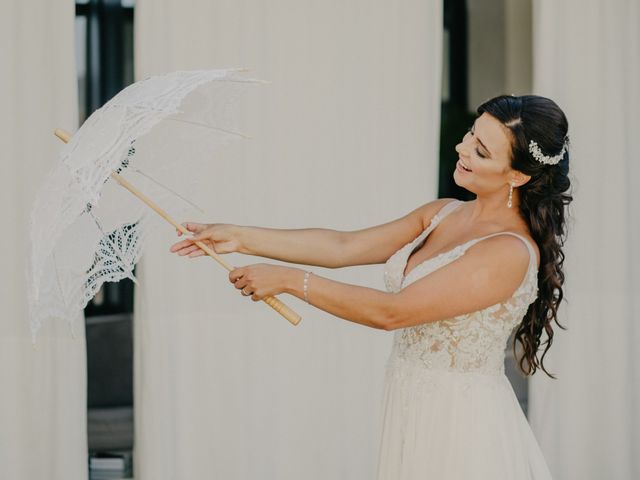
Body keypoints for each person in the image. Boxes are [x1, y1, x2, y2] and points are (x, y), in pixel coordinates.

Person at [170, 94, 572, 479]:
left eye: (481, 151)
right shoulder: (442, 213)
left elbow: (391, 312)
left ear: (518, 175)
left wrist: (290, 281)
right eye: (471, 134)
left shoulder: (507, 251)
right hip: (409, 403)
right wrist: (238, 236)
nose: (461, 148)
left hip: (460, 422)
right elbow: (344, 245)